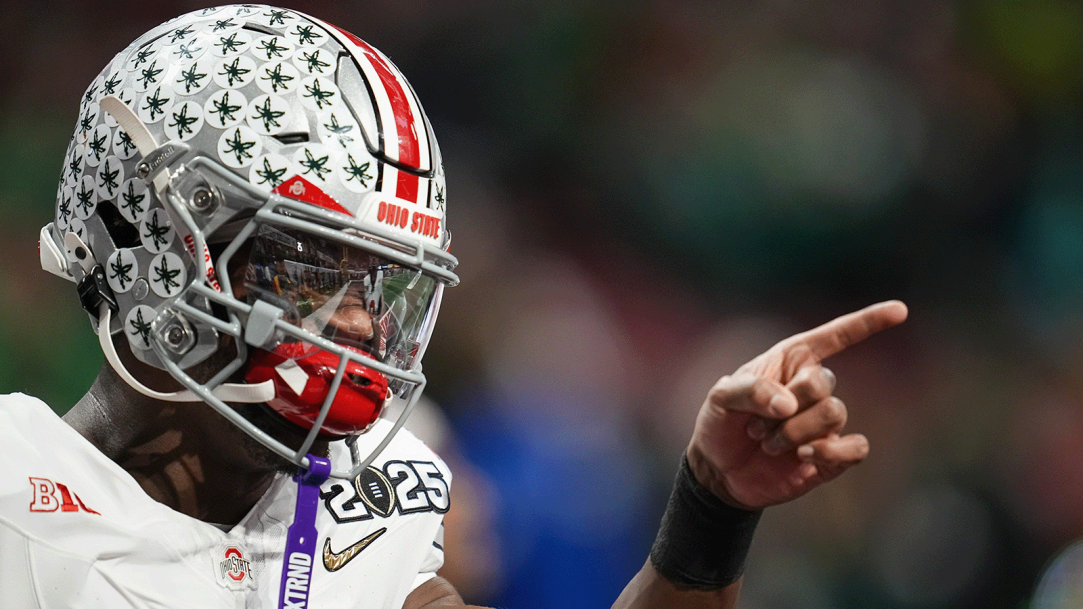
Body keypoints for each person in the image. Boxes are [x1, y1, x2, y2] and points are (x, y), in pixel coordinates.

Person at [2, 4, 908, 608]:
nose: (358, 322)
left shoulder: (359, 519)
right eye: (311, 271)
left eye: (377, 282)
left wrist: (709, 507)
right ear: (148, 246)